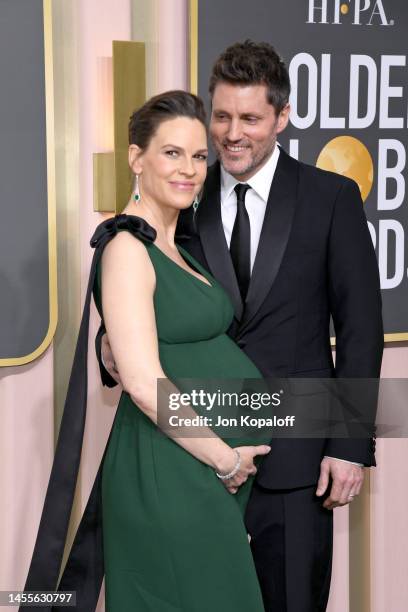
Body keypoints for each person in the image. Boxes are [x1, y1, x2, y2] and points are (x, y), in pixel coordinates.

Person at [99, 41, 384, 611]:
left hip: (297, 458)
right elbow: (155, 295)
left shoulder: (331, 197)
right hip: (195, 457)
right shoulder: (182, 197)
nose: (232, 134)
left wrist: (350, 446)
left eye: (251, 118)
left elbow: (360, 328)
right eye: (221, 116)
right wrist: (114, 343)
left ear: (282, 117)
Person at [22, 90, 273, 612]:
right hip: (173, 471)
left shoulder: (173, 246)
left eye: (199, 156)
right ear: (137, 158)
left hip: (198, 471)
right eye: (172, 153)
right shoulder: (126, 250)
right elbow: (141, 381)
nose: (190, 169)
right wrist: (225, 459)